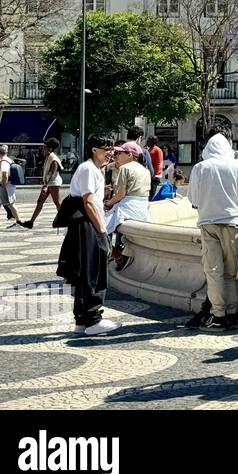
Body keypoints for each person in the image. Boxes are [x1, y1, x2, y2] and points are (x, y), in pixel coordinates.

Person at [184, 127, 238, 332]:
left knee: (213, 271)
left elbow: (193, 198)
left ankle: (218, 315)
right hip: (233, 223)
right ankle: (234, 313)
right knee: (231, 272)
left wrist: (206, 207)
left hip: (208, 222)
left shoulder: (201, 167)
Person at [55, 135, 119, 335]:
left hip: (84, 224)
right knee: (94, 271)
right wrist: (102, 231)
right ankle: (93, 320)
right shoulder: (89, 169)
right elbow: (88, 201)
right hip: (87, 225)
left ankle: (82, 321)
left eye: (112, 149)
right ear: (93, 150)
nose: (110, 153)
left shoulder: (92, 170)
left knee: (86, 272)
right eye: (106, 149)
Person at [104, 142, 153, 272]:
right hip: (142, 208)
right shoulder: (146, 170)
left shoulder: (125, 169)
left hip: (127, 206)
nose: (116, 156)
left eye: (119, 153)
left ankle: (117, 256)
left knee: (100, 230)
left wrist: (108, 203)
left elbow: (120, 194)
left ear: (129, 155)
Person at [23, 137, 64, 230]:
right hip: (49, 183)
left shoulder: (53, 159)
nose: (43, 149)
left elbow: (53, 174)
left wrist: (46, 185)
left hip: (53, 183)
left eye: (44, 148)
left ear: (50, 149)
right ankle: (31, 222)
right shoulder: (49, 157)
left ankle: (64, 219)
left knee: (57, 202)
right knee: (40, 201)